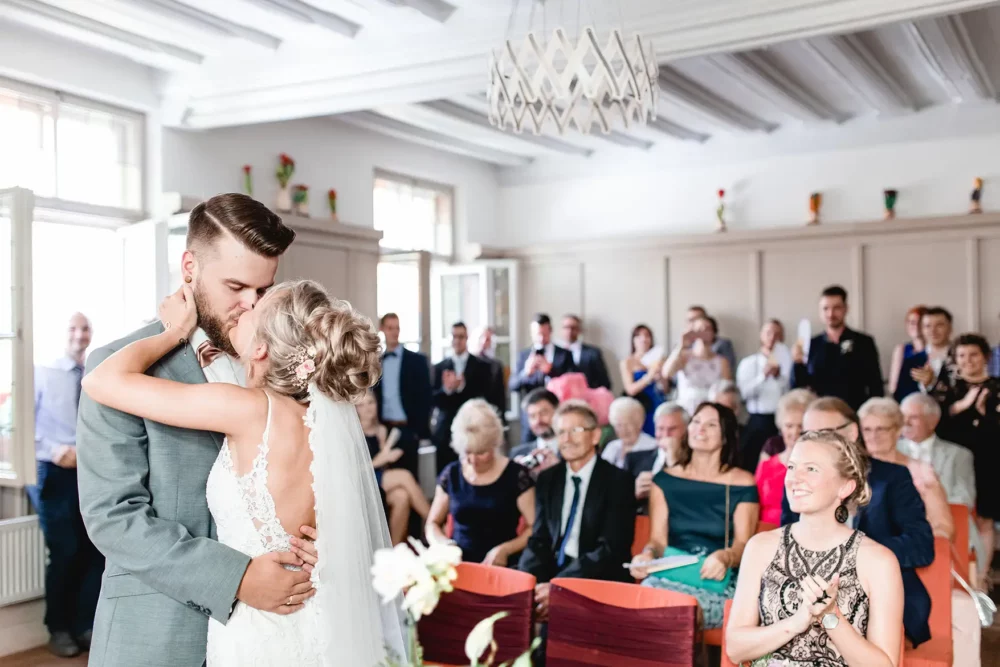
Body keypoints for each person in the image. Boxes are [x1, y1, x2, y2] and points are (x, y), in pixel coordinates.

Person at [81, 277, 406, 666]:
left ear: (262, 347)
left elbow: (101, 380)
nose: (244, 307)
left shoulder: (249, 409)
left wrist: (174, 332)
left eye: (256, 308)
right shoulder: (324, 428)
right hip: (313, 620)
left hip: (257, 630)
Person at [726, 430, 904, 667]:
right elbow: (735, 649)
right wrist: (795, 623)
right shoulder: (760, 547)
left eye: (811, 469)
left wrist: (831, 617)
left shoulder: (878, 561)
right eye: (791, 467)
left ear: (845, 487)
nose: (794, 478)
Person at [780, 397, 933, 648]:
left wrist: (853, 555)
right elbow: (786, 541)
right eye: (807, 434)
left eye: (824, 434)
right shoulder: (798, 482)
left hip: (881, 595)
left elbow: (921, 544)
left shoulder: (892, 478)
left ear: (852, 432)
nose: (814, 442)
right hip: (809, 595)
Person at [629, 403, 758, 630]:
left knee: (680, 615)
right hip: (667, 576)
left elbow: (743, 544)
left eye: (711, 425)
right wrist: (647, 555)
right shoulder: (664, 481)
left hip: (716, 581)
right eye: (696, 422)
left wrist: (725, 557)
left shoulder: (742, 483)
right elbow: (657, 542)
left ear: (725, 436)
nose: (700, 429)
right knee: (643, 605)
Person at [28, 312, 104, 658]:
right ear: (62, 333)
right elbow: (22, 426)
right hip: (53, 471)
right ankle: (58, 628)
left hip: (89, 471)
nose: (79, 334)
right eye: (73, 328)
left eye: (85, 328)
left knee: (94, 549)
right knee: (64, 550)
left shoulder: (95, 374)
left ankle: (85, 626)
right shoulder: (42, 372)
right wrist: (54, 450)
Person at [520, 400, 636, 603]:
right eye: (561, 432)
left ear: (595, 435)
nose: (567, 439)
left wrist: (559, 587)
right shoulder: (548, 479)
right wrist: (529, 582)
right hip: (553, 572)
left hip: (597, 579)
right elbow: (539, 539)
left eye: (575, 430)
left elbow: (610, 549)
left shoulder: (618, 481)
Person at [426, 399, 535, 566]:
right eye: (467, 453)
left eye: (481, 453)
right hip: (458, 564)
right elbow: (432, 524)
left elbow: (534, 528)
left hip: (503, 565)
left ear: (495, 444)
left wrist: (505, 549)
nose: (473, 460)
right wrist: (444, 544)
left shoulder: (517, 475)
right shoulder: (451, 474)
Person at [937, 333, 1000, 587]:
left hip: (988, 461)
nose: (968, 360)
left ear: (985, 357)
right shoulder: (947, 388)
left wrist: (984, 412)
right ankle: (954, 573)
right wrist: (961, 405)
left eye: (974, 354)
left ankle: (982, 576)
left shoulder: (996, 387)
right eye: (961, 355)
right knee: (954, 514)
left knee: (984, 518)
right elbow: (936, 424)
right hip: (953, 463)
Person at [898, 393, 981, 569]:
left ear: (932, 421)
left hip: (947, 528)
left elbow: (964, 498)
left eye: (913, 417)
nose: (905, 423)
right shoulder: (890, 451)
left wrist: (932, 508)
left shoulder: (959, 455)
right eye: (902, 417)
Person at [858, 398, 953, 539]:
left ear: (898, 431)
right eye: (867, 429)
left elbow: (943, 526)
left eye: (881, 429)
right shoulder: (853, 470)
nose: (873, 436)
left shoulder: (921, 471)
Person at [792, 285, 884, 411]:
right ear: (820, 311)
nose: (830, 314)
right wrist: (797, 363)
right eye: (825, 308)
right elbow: (799, 388)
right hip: (820, 414)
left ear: (846, 309)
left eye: (836, 308)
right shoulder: (811, 345)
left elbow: (876, 385)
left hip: (854, 413)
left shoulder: (864, 342)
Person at [357, 390, 430, 545]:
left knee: (402, 496)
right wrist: (382, 459)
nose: (368, 408)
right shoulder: (355, 434)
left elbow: (388, 465)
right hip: (363, 482)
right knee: (404, 476)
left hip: (382, 484)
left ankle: (393, 549)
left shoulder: (384, 430)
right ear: (355, 409)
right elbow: (353, 471)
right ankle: (435, 524)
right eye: (361, 405)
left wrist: (389, 455)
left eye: (371, 402)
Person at [374, 313, 431, 476]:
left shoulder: (417, 360)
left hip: (408, 430)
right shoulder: (376, 362)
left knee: (410, 477)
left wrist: (418, 432)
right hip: (383, 430)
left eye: (397, 328)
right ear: (382, 329)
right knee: (386, 479)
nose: (394, 332)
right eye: (390, 328)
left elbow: (426, 398)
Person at [431, 321, 490, 472]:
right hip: (445, 433)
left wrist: (462, 385)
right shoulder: (439, 367)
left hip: (472, 429)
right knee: (445, 474)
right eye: (454, 336)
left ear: (467, 338)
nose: (457, 340)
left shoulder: (481, 366)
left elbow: (485, 397)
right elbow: (433, 400)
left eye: (461, 337)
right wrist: (447, 389)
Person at [755, 389, 816, 526]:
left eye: (801, 426)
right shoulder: (766, 466)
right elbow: (754, 506)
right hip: (765, 532)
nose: (795, 431)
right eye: (789, 426)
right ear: (781, 427)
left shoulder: (817, 467)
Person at [510, 313, 575, 442]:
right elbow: (512, 385)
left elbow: (572, 383)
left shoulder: (565, 354)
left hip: (557, 413)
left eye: (544, 334)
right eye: (537, 334)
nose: (540, 338)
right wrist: (526, 373)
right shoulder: (523, 355)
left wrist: (551, 371)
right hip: (530, 418)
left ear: (550, 331)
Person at [736, 320, 790, 472]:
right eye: (768, 333)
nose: (772, 337)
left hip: (781, 422)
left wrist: (779, 377)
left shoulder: (788, 364)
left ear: (782, 338)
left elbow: (792, 393)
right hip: (757, 421)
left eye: (777, 334)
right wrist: (763, 377)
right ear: (761, 335)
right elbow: (742, 395)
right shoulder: (748, 363)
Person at [663, 316, 731, 416]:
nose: (703, 332)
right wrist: (682, 345)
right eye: (699, 329)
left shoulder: (722, 361)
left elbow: (726, 388)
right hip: (686, 409)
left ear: (714, 333)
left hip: (711, 410)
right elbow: (667, 373)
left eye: (707, 329)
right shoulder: (684, 356)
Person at [627, 402, 688, 508]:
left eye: (672, 429)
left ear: (686, 431)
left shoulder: (696, 462)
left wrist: (673, 458)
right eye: (660, 428)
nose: (666, 435)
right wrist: (633, 493)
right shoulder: (634, 459)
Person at [895, 306, 953, 403]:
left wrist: (933, 382)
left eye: (939, 325)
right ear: (922, 329)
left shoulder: (961, 358)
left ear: (950, 327)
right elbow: (902, 396)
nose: (933, 330)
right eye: (927, 326)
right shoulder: (912, 360)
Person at [619, 324, 667, 436]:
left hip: (657, 402)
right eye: (639, 336)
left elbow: (665, 389)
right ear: (633, 340)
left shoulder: (659, 360)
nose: (643, 339)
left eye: (647, 336)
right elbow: (630, 389)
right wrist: (648, 377)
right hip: (640, 405)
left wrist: (660, 377)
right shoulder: (627, 362)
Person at [510, 388, 561, 474]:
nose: (538, 421)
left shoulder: (573, 450)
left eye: (543, 413)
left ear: (558, 412)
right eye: (532, 416)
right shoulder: (518, 454)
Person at [601, 396, 657, 469]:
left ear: (639, 423)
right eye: (619, 425)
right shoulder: (612, 447)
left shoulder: (652, 447)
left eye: (627, 424)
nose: (623, 430)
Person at [560, 314, 611, 389]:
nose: (569, 331)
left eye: (573, 328)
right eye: (566, 327)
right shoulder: (556, 352)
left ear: (579, 330)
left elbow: (604, 382)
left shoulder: (593, 353)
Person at [888, 305, 927, 397]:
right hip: (903, 399)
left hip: (926, 398)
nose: (916, 326)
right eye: (912, 323)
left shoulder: (933, 350)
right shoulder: (900, 349)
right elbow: (893, 386)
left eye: (920, 322)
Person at [687, 306, 736, 373]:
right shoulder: (685, 345)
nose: (694, 323)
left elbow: (729, 369)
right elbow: (675, 376)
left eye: (698, 318)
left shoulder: (722, 344)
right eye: (691, 320)